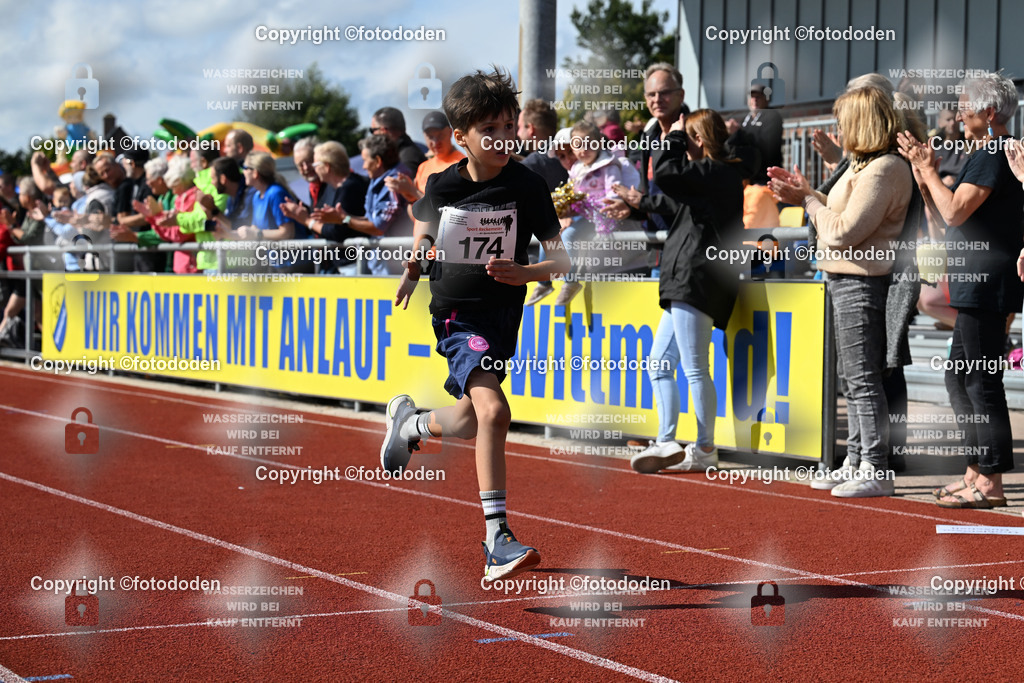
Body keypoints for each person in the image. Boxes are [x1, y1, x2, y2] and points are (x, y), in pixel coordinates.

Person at [380, 67, 569, 581]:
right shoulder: (442, 184)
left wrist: (523, 272)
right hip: (458, 313)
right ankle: (497, 537)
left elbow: (562, 262)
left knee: (468, 418)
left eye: (509, 125)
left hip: (503, 315)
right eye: (490, 127)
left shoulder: (528, 185)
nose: (503, 137)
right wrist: (414, 269)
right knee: (494, 410)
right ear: (461, 137)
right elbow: (421, 238)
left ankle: (412, 423)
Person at [769, 86, 913, 497]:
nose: (837, 129)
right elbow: (835, 218)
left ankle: (876, 467)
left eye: (843, 120)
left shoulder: (885, 168)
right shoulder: (862, 165)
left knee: (863, 378)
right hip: (842, 277)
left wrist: (808, 202)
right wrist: (804, 193)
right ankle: (856, 460)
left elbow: (846, 231)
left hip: (861, 279)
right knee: (852, 380)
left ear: (861, 122)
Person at [899, 72, 1023, 509]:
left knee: (980, 381)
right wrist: (923, 175)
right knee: (960, 378)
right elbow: (947, 216)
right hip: (975, 281)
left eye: (966, 103)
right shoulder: (986, 153)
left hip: (987, 284)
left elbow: (953, 211)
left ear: (989, 113)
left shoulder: (992, 152)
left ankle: (990, 481)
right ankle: (976, 470)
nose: (958, 109)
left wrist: (931, 172)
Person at [628, 110, 744, 474]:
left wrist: (673, 138)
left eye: (687, 137)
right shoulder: (711, 176)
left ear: (700, 138)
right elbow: (672, 202)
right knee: (660, 365)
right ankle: (667, 441)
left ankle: (705, 447)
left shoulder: (717, 172)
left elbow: (665, 175)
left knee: (695, 369)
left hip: (698, 278)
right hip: (687, 279)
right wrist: (636, 203)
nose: (682, 142)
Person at [602, 63, 687, 277]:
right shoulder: (649, 136)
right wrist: (633, 209)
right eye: (651, 94)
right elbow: (651, 192)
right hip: (657, 247)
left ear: (681, 95)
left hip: (689, 250)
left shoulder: (695, 132)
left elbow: (689, 199)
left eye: (664, 93)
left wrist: (641, 202)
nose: (657, 99)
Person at [312, 134, 410, 275]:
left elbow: (378, 227)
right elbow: (372, 219)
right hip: (383, 266)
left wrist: (344, 219)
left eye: (365, 160)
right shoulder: (377, 181)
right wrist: (343, 217)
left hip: (395, 267)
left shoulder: (394, 182)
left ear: (377, 161)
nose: (363, 167)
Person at [384, 111, 466, 204]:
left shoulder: (461, 165)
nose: (435, 142)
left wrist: (412, 190)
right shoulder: (423, 167)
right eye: (430, 137)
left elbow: (445, 210)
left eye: (440, 135)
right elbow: (415, 201)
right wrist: (405, 187)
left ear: (450, 133)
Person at [517, 99, 568, 191]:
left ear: (530, 129)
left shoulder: (531, 165)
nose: (518, 134)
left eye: (519, 127)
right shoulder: (573, 155)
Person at [370, 106, 426, 175]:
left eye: (372, 130)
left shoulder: (405, 159)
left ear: (383, 131)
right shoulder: (407, 152)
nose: (372, 135)